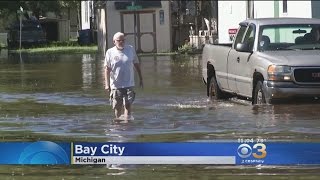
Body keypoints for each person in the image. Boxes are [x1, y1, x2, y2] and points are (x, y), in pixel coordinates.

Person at [104, 32, 143, 120]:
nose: (121, 42)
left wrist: (141, 78)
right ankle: (118, 126)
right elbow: (107, 69)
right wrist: (107, 84)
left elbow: (136, 64)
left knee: (128, 105)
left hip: (129, 83)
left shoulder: (130, 49)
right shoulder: (110, 52)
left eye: (123, 40)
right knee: (118, 107)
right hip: (116, 85)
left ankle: (127, 125)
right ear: (114, 41)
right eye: (119, 40)